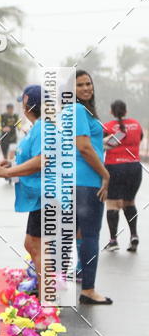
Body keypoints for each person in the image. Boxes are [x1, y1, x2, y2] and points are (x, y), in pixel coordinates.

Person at [0, 86, 43, 278]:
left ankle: (47, 291)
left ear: (28, 107)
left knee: (36, 245)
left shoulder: (43, 128)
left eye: (23, 104)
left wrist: (8, 172)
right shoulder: (37, 127)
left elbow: (41, 161)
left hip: (46, 196)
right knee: (32, 244)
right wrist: (12, 164)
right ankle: (43, 288)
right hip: (39, 197)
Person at [73, 70, 112, 305]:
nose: (86, 88)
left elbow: (88, 144)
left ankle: (59, 286)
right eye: (80, 85)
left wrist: (102, 144)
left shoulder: (82, 111)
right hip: (87, 181)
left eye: (88, 83)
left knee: (78, 234)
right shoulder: (77, 109)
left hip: (79, 182)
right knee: (90, 235)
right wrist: (105, 174)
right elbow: (84, 148)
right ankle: (88, 289)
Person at [103, 100, 143, 252]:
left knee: (112, 204)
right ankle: (134, 235)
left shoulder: (108, 127)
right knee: (129, 202)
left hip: (114, 167)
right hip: (134, 168)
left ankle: (113, 241)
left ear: (111, 112)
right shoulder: (136, 125)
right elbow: (139, 139)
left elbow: (102, 145)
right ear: (126, 111)